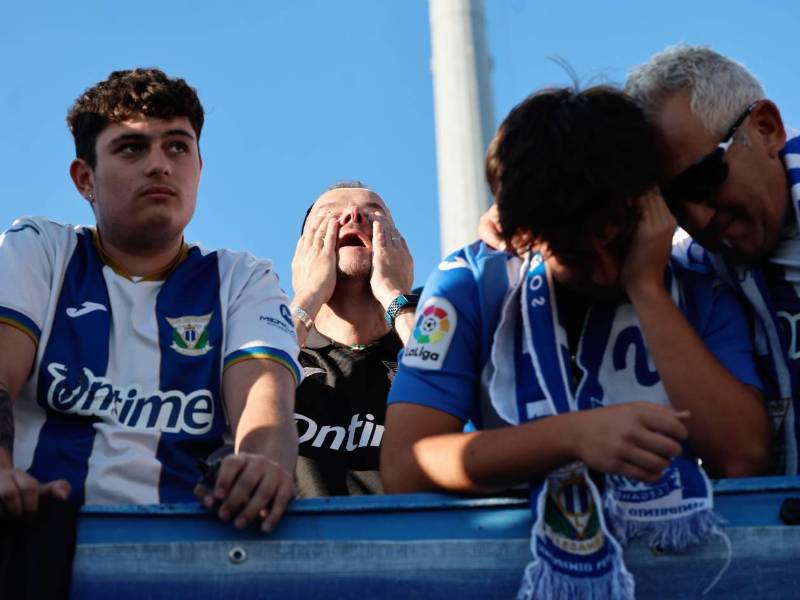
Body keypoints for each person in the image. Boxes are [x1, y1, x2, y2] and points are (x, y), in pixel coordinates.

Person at [382, 86, 770, 597]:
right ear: (524, 238)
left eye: (617, 240)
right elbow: (406, 464)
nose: (608, 270)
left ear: (650, 203)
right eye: (577, 256)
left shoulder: (699, 283)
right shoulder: (467, 283)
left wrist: (647, 289)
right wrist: (572, 438)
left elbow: (742, 457)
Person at [0, 69, 300, 533]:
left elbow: (265, 409)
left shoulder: (243, 279)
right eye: (131, 148)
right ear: (85, 179)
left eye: (177, 146)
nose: (159, 164)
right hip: (36, 541)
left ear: (199, 168)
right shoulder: (38, 249)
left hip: (193, 552)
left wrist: (263, 466)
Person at [624, 44, 800, 474]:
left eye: (704, 179)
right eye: (670, 204)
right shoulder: (687, 261)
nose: (698, 219)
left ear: (765, 128)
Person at [289, 182, 415, 496]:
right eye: (329, 215)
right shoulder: (280, 340)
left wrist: (395, 296)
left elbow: (455, 388)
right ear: (303, 250)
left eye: (374, 213)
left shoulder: (421, 332)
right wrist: (308, 295)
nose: (353, 215)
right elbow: (247, 392)